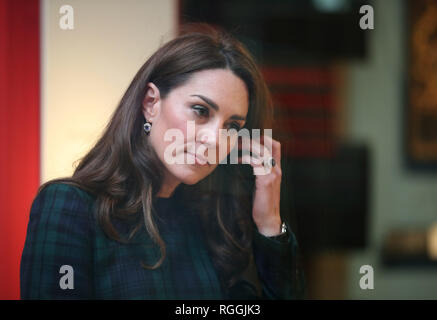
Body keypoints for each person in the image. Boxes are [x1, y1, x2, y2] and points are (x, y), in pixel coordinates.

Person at [20, 24, 305, 300]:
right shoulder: (71, 206)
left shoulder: (211, 223)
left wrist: (269, 223)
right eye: (200, 111)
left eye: (232, 126)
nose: (214, 139)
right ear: (150, 103)